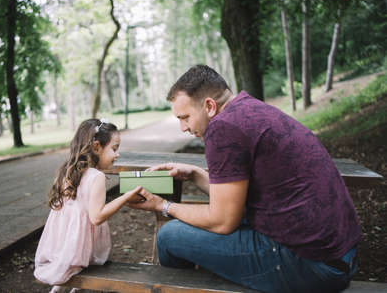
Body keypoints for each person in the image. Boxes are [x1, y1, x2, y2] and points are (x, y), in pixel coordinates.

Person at [129, 65, 362, 293]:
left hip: (309, 264)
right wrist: (195, 174)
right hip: (340, 256)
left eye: (185, 117)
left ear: (209, 106)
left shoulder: (223, 128)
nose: (183, 128)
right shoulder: (249, 109)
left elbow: (222, 221)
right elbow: (234, 201)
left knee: (169, 236)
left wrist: (164, 206)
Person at [34, 119, 143, 293]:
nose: (117, 155)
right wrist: (126, 197)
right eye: (114, 149)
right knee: (82, 268)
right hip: (78, 242)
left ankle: (65, 287)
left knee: (72, 271)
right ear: (97, 147)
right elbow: (96, 217)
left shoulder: (68, 170)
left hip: (64, 240)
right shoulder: (96, 177)